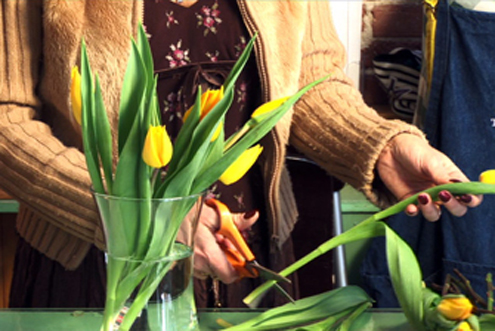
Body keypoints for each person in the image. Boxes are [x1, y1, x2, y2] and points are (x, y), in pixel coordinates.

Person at [1, 0, 481, 309]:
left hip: (249, 263)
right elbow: (6, 119)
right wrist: (138, 214)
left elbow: (309, 81)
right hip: (94, 270)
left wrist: (381, 146)